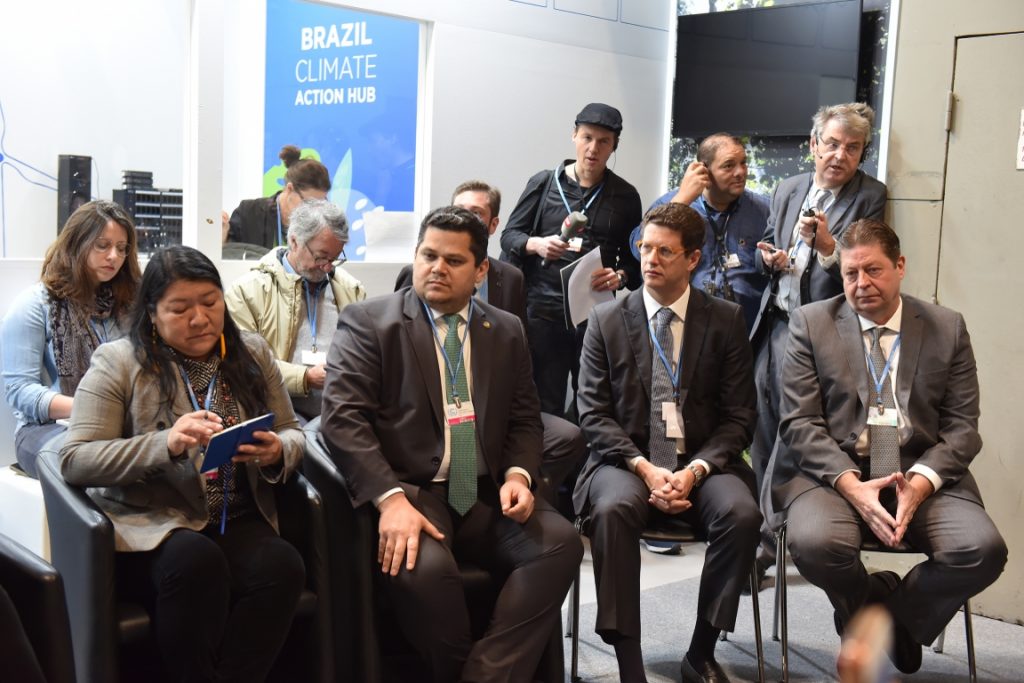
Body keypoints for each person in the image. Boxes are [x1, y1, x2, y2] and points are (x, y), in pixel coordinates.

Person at [321, 206, 583, 683]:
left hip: (484, 492)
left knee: (561, 545)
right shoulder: (369, 322)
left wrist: (519, 475)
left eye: (454, 260)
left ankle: (483, 676)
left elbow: (525, 418)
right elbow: (342, 420)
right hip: (413, 493)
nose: (437, 268)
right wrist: (390, 500)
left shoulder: (506, 329)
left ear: (481, 270)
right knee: (424, 572)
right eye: (428, 255)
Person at [59, 245, 307, 682]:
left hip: (232, 515)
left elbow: (293, 430)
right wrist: (165, 444)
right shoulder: (119, 361)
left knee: (282, 565)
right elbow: (76, 458)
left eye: (210, 302)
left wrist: (277, 450)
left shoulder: (250, 351)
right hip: (153, 522)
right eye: (179, 309)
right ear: (152, 314)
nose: (199, 319)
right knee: (196, 562)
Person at [771, 219, 1007, 675]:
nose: (861, 283)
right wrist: (851, 486)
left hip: (918, 470)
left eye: (873, 270)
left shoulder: (946, 327)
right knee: (816, 542)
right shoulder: (812, 323)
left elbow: (963, 429)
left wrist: (920, 483)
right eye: (851, 273)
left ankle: (892, 619)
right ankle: (872, 600)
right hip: (836, 471)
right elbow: (799, 422)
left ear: (900, 266)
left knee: (982, 550)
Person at [574, 202, 760, 683]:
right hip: (625, 461)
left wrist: (694, 470)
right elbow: (592, 414)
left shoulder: (725, 320)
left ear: (693, 258)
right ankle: (629, 663)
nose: (650, 259)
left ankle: (701, 651)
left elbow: (740, 416)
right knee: (613, 509)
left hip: (702, 463)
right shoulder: (606, 320)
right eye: (645, 248)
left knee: (741, 514)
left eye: (664, 252)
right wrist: (644, 466)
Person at [394, 181, 585, 505]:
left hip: (491, 399)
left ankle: (522, 493)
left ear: (493, 224)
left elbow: (518, 352)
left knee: (567, 436)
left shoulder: (510, 278)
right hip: (436, 399)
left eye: (476, 213)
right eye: (459, 210)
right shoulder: (414, 279)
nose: (465, 218)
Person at [750, 103, 888, 491]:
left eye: (852, 148)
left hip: (824, 333)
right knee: (763, 423)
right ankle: (763, 518)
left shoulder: (869, 196)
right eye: (832, 144)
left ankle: (796, 514)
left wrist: (827, 246)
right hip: (777, 325)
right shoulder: (787, 188)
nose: (840, 155)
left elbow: (865, 271)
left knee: (802, 429)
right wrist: (769, 258)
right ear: (814, 144)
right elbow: (766, 244)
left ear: (862, 153)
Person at [500, 103, 642, 419]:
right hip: (542, 312)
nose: (593, 148)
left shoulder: (626, 196)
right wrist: (536, 244)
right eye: (587, 137)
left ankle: (584, 452)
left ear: (614, 146)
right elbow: (509, 236)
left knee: (592, 401)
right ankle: (548, 452)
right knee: (543, 401)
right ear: (574, 135)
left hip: (594, 316)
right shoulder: (544, 183)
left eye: (604, 141)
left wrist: (620, 276)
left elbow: (636, 263)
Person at [1, 200, 140, 477]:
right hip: (46, 429)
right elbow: (19, 390)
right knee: (94, 463)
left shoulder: (130, 306)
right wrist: (91, 408)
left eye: (121, 248)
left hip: (122, 424)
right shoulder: (35, 305)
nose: (113, 256)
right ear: (77, 244)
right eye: (102, 245)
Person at [226, 199, 365, 422]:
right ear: (294, 241)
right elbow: (244, 363)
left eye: (335, 258)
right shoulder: (247, 291)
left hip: (342, 410)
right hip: (277, 412)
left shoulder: (351, 290)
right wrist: (305, 377)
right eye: (321, 256)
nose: (327, 267)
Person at [628, 133, 770, 332]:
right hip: (685, 328)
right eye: (729, 166)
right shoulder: (673, 202)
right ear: (704, 171)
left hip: (747, 330)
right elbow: (639, 250)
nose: (740, 172)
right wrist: (681, 203)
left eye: (743, 163)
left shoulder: (764, 210)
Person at [227, 144, 331, 249]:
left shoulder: (320, 227)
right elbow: (229, 253)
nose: (314, 210)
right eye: (309, 203)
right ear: (289, 189)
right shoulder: (248, 214)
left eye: (321, 204)